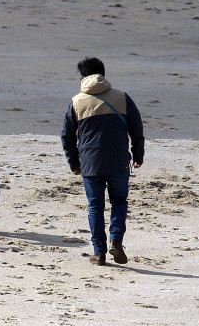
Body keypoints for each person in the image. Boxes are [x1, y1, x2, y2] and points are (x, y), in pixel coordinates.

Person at [61, 57, 145, 266]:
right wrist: (138, 155)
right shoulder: (122, 98)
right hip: (118, 161)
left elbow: (67, 136)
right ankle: (116, 241)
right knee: (119, 202)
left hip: (90, 163)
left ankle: (99, 253)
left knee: (95, 207)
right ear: (103, 74)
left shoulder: (77, 102)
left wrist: (74, 163)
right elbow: (136, 128)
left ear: (82, 77)